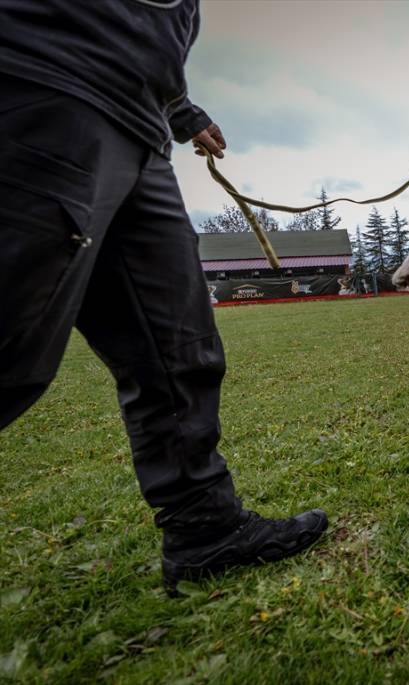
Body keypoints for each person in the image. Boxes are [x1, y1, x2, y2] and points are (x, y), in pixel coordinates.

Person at [0, 0, 328, 589]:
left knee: (177, 348)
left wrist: (181, 111)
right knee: (10, 344)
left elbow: (151, 27)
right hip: (39, 84)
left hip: (141, 130)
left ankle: (205, 528)